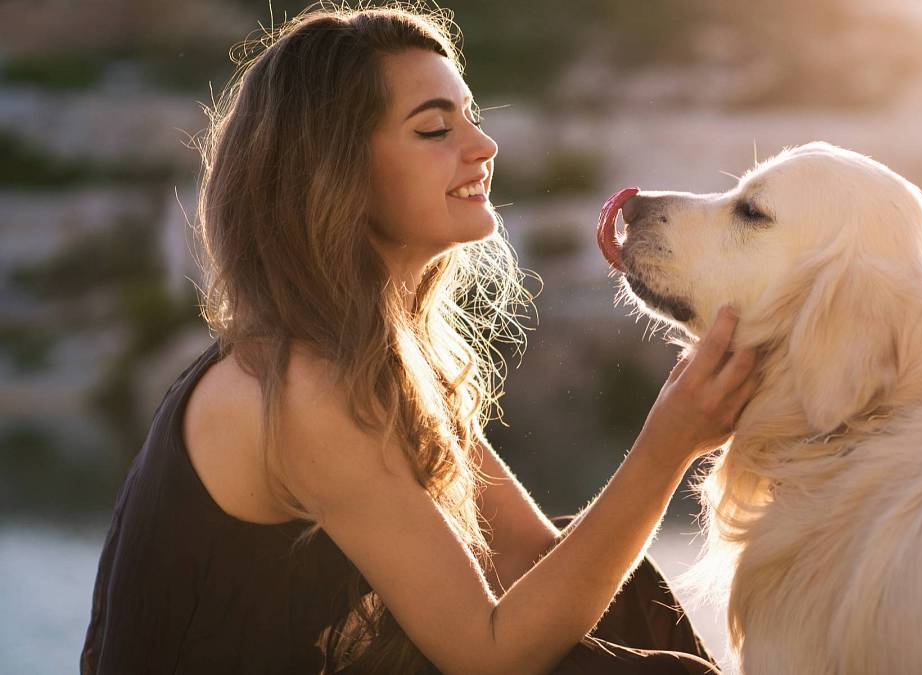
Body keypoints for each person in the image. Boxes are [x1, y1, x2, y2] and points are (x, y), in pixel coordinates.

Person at [80, 4, 759, 674]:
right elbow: (491, 653)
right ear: (336, 173)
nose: (483, 146)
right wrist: (669, 443)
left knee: (623, 590)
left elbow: (530, 558)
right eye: (435, 128)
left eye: (471, 116)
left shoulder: (379, 354)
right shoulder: (301, 388)